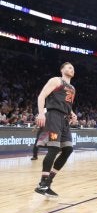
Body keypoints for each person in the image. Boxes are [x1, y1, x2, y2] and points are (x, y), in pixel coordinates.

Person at [34, 62, 78, 197]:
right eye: (69, 67)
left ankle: (48, 182)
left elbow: (66, 104)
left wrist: (72, 113)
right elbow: (41, 96)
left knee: (68, 149)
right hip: (53, 116)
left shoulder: (73, 88)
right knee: (53, 148)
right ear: (62, 70)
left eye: (73, 68)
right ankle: (42, 184)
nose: (72, 69)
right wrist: (41, 113)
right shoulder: (56, 80)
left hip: (64, 120)